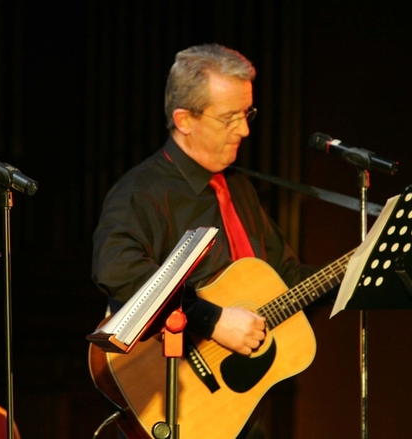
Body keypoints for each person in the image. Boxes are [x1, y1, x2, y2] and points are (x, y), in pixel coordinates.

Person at [91, 44, 318, 438]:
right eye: (230, 118)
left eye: (247, 114)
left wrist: (363, 270)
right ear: (184, 120)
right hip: (178, 404)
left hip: (242, 410)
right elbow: (120, 274)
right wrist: (214, 322)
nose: (245, 129)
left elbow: (288, 277)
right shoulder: (141, 192)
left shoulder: (239, 189)